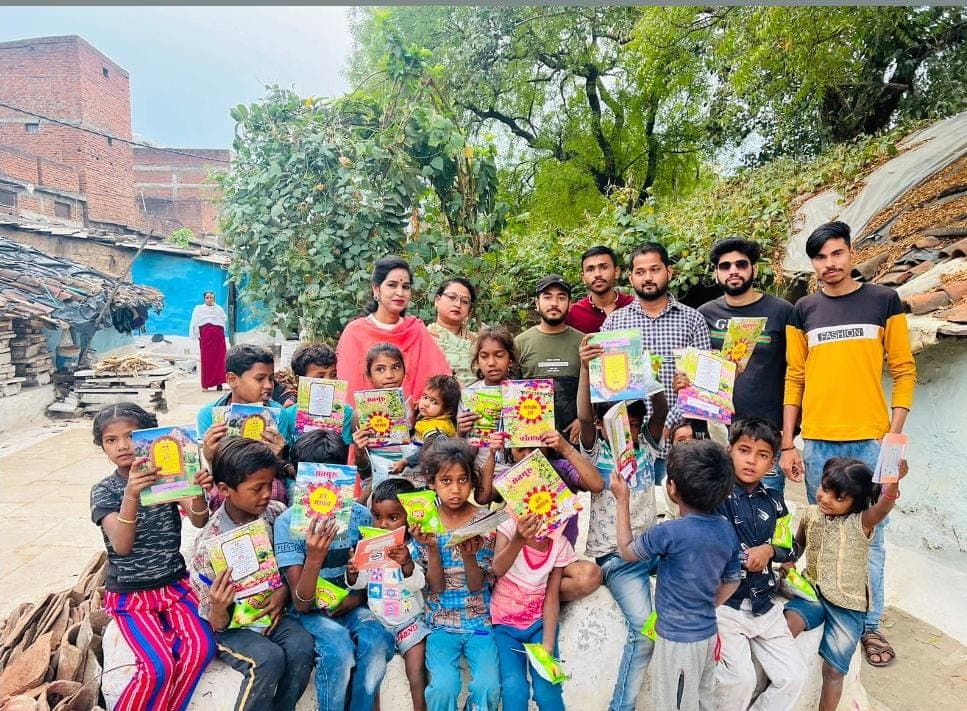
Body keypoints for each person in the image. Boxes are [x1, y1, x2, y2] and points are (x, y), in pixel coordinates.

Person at [780, 221, 916, 667]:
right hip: (819, 442)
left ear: (851, 253)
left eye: (836, 253)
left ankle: (869, 624)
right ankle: (827, 609)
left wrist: (893, 437)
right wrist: (788, 442)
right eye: (820, 257)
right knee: (822, 531)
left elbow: (903, 369)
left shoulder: (883, 301)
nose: (829, 264)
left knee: (871, 537)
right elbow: (795, 377)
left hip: (871, 443)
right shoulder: (803, 310)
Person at [89, 403, 215, 711]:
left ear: (147, 437)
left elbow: (199, 519)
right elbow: (121, 546)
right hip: (131, 593)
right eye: (111, 440)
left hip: (173, 585)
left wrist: (197, 492)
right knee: (158, 667)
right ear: (102, 446)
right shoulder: (105, 490)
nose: (122, 446)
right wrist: (131, 494)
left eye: (130, 436)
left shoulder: (166, 475)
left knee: (200, 649)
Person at [613, 439, 741, 711]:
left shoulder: (669, 532)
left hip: (677, 641)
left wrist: (622, 500)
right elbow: (733, 580)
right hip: (708, 634)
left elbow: (626, 551)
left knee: (671, 703)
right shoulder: (726, 530)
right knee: (702, 700)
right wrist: (708, 604)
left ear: (672, 488)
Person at [576, 336, 668, 711]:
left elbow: (660, 411)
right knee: (645, 632)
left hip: (652, 549)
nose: (626, 431)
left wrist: (647, 372)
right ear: (603, 426)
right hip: (616, 558)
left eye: (632, 423)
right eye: (618, 423)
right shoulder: (596, 451)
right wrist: (585, 368)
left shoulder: (647, 448)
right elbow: (584, 417)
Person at [190, 437, 315, 711]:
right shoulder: (208, 544)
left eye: (270, 484)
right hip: (230, 628)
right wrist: (219, 607)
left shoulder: (276, 515)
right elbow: (215, 622)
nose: (267, 493)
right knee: (268, 658)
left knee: (302, 645)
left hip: (271, 615)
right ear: (225, 489)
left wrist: (283, 591)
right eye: (257, 488)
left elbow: (293, 562)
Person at [274, 437, 395, 711]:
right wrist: (315, 557)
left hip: (351, 605)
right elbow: (302, 603)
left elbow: (372, 579)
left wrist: (354, 599)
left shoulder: (361, 516)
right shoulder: (287, 524)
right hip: (307, 613)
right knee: (339, 650)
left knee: (376, 641)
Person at [784, 457, 908, 711]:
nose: (826, 499)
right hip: (811, 593)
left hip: (847, 607)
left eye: (839, 498)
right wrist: (788, 560)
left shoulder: (861, 523)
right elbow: (798, 545)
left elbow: (884, 506)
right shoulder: (810, 514)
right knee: (788, 627)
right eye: (825, 489)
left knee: (833, 670)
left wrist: (893, 482)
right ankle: (780, 687)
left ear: (856, 502)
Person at [713, 418, 805, 711]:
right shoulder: (715, 495)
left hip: (764, 606)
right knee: (739, 681)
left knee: (793, 676)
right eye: (744, 450)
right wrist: (742, 558)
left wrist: (769, 550)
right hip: (725, 606)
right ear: (730, 450)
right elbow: (703, 541)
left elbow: (787, 546)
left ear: (772, 463)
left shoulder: (775, 500)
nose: (751, 460)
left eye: (762, 455)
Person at [601, 242, 711, 482]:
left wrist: (667, 424)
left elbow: (701, 388)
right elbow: (608, 388)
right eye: (640, 272)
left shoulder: (693, 320)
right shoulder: (614, 324)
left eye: (655, 269)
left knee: (676, 501)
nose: (648, 277)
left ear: (669, 272)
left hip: (677, 445)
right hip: (628, 448)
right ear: (631, 278)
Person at [410, 438, 500, 711]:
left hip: (479, 625)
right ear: (432, 483)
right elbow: (435, 587)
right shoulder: (426, 522)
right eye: (446, 481)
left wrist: (470, 555)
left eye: (463, 480)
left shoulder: (483, 521)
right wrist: (432, 549)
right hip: (440, 625)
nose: (455, 489)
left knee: (488, 686)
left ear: (472, 482)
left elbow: (476, 586)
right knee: (442, 688)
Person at [698, 237, 794, 493]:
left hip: (766, 438)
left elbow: (796, 373)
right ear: (716, 273)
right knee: (719, 506)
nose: (733, 271)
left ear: (755, 269)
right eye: (725, 266)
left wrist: (789, 434)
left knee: (764, 507)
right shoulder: (704, 314)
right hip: (719, 435)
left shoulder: (782, 312)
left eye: (741, 264)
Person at [347, 478, 430, 711]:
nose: (383, 525)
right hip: (378, 623)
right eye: (377, 516)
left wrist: (407, 564)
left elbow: (419, 583)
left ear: (409, 518)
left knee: (416, 670)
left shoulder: (414, 548)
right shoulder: (369, 547)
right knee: (372, 670)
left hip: (410, 623)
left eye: (393, 518)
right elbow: (361, 583)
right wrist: (353, 573)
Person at [336, 255, 450, 403]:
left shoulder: (416, 330)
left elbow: (438, 380)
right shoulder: (355, 332)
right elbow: (349, 388)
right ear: (376, 289)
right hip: (365, 415)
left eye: (405, 287)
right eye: (392, 285)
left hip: (419, 415)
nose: (400, 293)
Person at [505, 430, 603, 601]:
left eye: (535, 448)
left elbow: (597, 484)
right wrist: (490, 452)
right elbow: (482, 498)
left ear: (547, 446)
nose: (528, 456)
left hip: (559, 562)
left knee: (590, 576)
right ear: (510, 450)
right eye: (520, 449)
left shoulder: (562, 468)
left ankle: (536, 594)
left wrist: (566, 448)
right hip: (523, 564)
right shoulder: (507, 479)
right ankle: (534, 591)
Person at [491, 512, 574, 711]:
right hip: (504, 627)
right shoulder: (509, 526)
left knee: (548, 688)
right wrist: (519, 539)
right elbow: (497, 569)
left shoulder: (560, 544)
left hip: (539, 626)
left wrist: (548, 644)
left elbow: (552, 597)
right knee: (514, 688)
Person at [197, 344, 291, 508]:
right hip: (227, 480)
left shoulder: (278, 413)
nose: (269, 385)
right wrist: (208, 455)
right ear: (232, 380)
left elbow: (277, 470)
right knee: (218, 495)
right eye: (260, 379)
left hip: (263, 479)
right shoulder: (208, 414)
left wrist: (279, 455)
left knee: (275, 490)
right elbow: (207, 473)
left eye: (271, 378)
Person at [515, 274, 585, 442]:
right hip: (532, 438)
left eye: (561, 298)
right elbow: (512, 393)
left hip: (575, 439)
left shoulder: (584, 342)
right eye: (547, 297)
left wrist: (584, 420)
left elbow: (595, 390)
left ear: (570, 304)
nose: (554, 303)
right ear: (537, 303)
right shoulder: (519, 343)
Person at [284, 342, 355, 447]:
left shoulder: (346, 413)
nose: (329, 382)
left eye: (333, 375)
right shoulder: (288, 415)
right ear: (299, 381)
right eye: (320, 377)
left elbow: (346, 450)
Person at [390, 374, 462, 477]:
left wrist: (406, 462)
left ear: (448, 409)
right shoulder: (432, 417)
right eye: (425, 397)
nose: (425, 403)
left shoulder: (437, 427)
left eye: (434, 402)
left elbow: (429, 450)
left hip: (422, 471)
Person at [565, 246, 635, 334]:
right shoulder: (574, 313)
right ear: (583, 277)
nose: (597, 274)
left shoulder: (635, 306)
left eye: (604, 267)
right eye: (590, 269)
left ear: (616, 272)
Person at [427, 277, 478, 386]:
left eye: (465, 301)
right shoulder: (423, 337)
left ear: (470, 311)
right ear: (437, 301)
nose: (458, 304)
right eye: (451, 297)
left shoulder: (478, 342)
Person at [190, 290, 228, 392]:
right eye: (207, 297)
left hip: (218, 337)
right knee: (206, 360)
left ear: (214, 298)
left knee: (219, 359)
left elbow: (223, 320)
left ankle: (219, 383)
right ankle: (206, 385)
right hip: (206, 338)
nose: (209, 299)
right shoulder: (199, 309)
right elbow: (195, 323)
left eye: (211, 297)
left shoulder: (219, 309)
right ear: (204, 299)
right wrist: (197, 334)